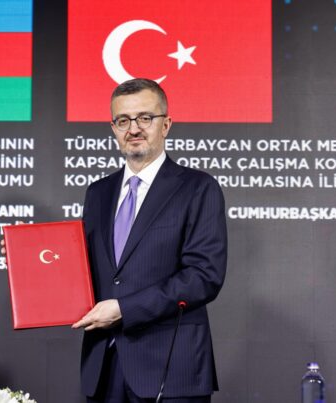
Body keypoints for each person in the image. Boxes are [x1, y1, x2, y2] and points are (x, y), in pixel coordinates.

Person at [71, 78, 227, 402]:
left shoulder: (198, 188)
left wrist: (124, 309)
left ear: (166, 124)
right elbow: (86, 268)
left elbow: (203, 277)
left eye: (145, 118)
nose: (134, 129)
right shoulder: (98, 193)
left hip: (170, 369)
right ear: (113, 128)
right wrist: (29, 256)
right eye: (123, 120)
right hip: (104, 367)